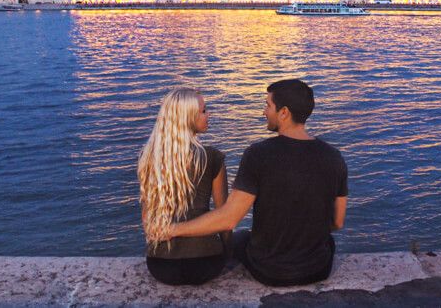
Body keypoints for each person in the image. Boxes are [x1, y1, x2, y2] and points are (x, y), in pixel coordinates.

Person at [170, 79, 348, 286]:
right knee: (326, 241)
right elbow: (337, 222)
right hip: (318, 269)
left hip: (269, 271)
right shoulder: (334, 157)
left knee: (241, 238)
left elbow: (229, 219)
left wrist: (174, 230)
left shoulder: (258, 155)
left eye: (268, 105)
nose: (264, 112)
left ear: (284, 112)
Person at [137, 87, 229, 285]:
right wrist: (226, 251)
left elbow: (148, 224)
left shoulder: (149, 159)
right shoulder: (212, 157)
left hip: (161, 266)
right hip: (208, 263)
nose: (208, 115)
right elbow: (225, 219)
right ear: (188, 117)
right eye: (203, 111)